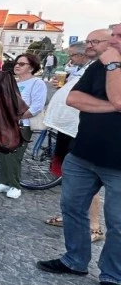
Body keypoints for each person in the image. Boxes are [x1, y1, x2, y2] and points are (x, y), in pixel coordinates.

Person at [37, 22, 121, 285]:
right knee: (72, 208)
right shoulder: (98, 67)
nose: (112, 42)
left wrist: (112, 70)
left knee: (118, 222)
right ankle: (75, 260)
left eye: (118, 37)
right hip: (83, 154)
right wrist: (111, 105)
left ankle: (113, 276)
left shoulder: (108, 65)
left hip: (118, 164)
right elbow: (73, 98)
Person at [43, 36, 108, 240]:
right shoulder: (85, 68)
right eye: (88, 42)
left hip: (82, 131)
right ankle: (70, 216)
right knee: (71, 178)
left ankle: (94, 227)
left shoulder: (107, 68)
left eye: (95, 41)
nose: (89, 45)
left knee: (88, 180)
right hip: (67, 129)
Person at [0, 53, 47, 199]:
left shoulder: (36, 83)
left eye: (22, 64)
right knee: (3, 154)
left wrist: (17, 117)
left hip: (22, 125)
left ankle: (15, 185)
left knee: (15, 156)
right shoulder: (13, 82)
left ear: (31, 67)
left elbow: (36, 106)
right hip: (5, 124)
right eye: (16, 63)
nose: (17, 66)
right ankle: (4, 182)